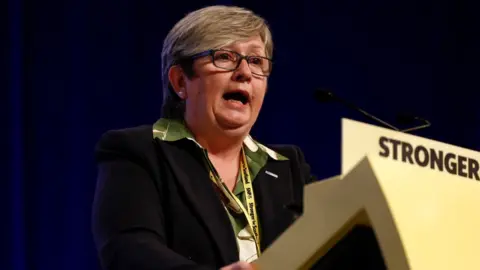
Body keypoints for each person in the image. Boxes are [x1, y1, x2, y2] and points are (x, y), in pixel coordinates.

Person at [92, 5, 314, 270]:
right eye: (224, 57)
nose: (244, 73)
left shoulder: (288, 166)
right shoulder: (139, 151)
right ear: (180, 82)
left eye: (256, 61)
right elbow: (129, 249)